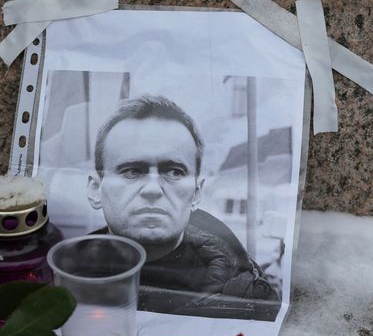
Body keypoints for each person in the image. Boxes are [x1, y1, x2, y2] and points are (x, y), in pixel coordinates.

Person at [87, 95, 278, 311]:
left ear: (196, 193)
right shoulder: (57, 279)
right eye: (132, 171)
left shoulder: (248, 298)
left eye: (174, 172)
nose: (152, 189)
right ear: (95, 190)